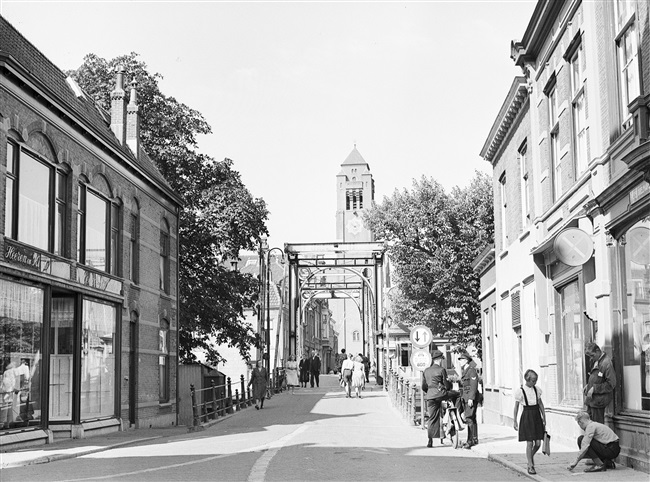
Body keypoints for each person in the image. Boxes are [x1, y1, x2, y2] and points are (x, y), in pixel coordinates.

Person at [421, 349, 459, 447]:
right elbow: (446, 385)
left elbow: (423, 386)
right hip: (441, 394)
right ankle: (457, 416)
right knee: (456, 394)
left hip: (430, 396)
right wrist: (448, 387)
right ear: (440, 359)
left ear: (433, 360)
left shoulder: (426, 371)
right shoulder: (441, 370)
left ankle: (430, 441)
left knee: (432, 418)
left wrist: (429, 392)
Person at [513, 369, 546, 475]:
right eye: (533, 381)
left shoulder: (537, 390)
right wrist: (515, 420)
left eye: (536, 381)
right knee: (529, 442)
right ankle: (531, 465)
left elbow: (540, 404)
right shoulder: (521, 391)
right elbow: (516, 407)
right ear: (527, 380)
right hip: (527, 416)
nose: (535, 383)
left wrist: (544, 417)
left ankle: (529, 458)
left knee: (538, 443)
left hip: (536, 416)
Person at [583, 342, 616, 424]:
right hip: (592, 401)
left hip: (598, 402)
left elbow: (611, 384)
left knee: (597, 429)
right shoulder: (597, 361)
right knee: (590, 427)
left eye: (592, 355)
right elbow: (597, 379)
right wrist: (588, 386)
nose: (591, 358)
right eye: (590, 356)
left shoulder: (606, 363)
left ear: (598, 351)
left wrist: (594, 388)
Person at [458, 351, 480, 449]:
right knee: (472, 418)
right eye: (460, 360)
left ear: (466, 361)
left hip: (470, 397)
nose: (460, 361)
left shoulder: (471, 370)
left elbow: (474, 385)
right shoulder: (465, 370)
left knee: (469, 418)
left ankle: (470, 441)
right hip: (465, 396)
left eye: (462, 360)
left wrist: (471, 398)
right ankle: (474, 438)